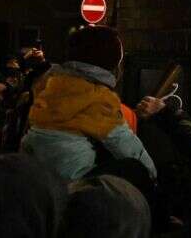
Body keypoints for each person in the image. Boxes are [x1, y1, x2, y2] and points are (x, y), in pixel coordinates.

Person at [20, 25, 156, 182]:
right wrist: (152, 177)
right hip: (71, 183)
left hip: (33, 172)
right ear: (110, 63)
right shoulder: (98, 98)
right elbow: (129, 148)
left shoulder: (50, 83)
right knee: (133, 168)